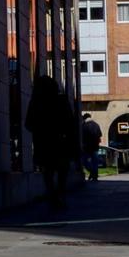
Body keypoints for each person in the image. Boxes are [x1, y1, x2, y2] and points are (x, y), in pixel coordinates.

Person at [25, 75, 75, 210]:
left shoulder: (35, 102)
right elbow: (70, 123)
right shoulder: (62, 100)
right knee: (62, 171)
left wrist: (40, 130)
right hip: (60, 142)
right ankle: (60, 195)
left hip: (43, 143)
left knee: (48, 172)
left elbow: (28, 124)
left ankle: (53, 196)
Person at [81, 113, 103, 181]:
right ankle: (95, 176)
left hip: (87, 146)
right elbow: (100, 135)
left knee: (84, 161)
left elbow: (82, 136)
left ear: (84, 118)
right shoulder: (96, 124)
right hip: (95, 146)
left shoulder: (84, 125)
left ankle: (92, 172)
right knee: (95, 162)